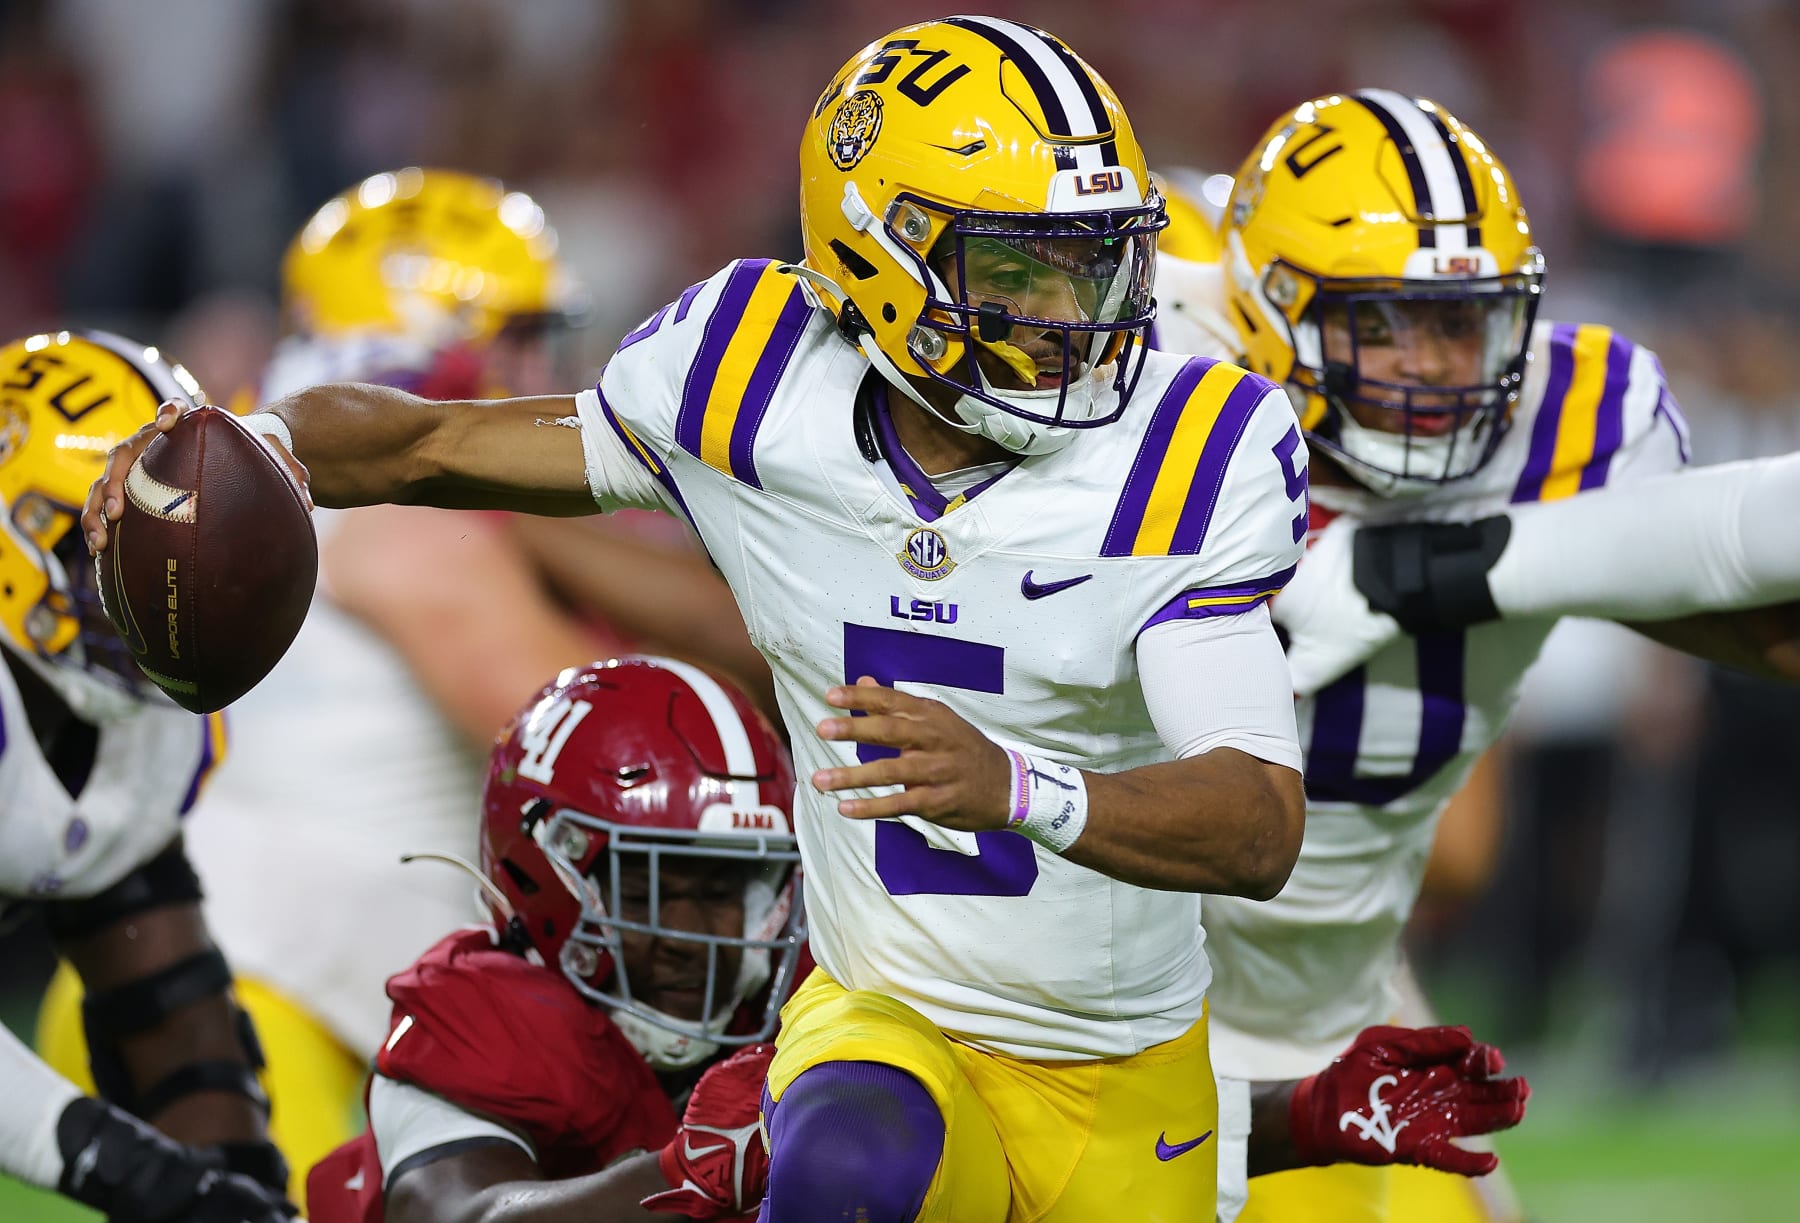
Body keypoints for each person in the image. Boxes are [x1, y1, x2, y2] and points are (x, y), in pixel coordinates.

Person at [89, 18, 1313, 1221]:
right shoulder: (750, 381)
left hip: (1117, 1060)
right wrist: (245, 445)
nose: (1072, 311)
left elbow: (1257, 821)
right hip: (886, 1015)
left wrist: (1014, 783)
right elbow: (439, 440)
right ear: (882, 259)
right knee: (835, 1165)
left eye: (1093, 260)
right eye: (1016, 269)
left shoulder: (1192, 453)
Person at [38, 168, 752, 1208]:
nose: (545, 370)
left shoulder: (288, 508)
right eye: (521, 338)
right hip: (243, 1009)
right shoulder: (413, 532)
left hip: (204, 982)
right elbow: (639, 758)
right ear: (433, 343)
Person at [1149, 90, 1800, 1223]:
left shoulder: (1568, 429)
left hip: (1337, 1007)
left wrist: (1459, 568)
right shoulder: (1147, 397)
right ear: (1264, 310)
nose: (1435, 369)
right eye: (1384, 322)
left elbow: (1759, 598)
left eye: (1463, 323)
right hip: (1106, 1006)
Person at [304, 656, 805, 1223]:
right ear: (540, 877)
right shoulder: (484, 1015)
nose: (689, 938)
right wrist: (682, 1175)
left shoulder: (803, 995)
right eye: (644, 894)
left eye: (722, 894)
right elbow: (455, 1215)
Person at [0, 329, 290, 1217]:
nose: (148, 597)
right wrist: (142, 1172)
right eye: (107, 555)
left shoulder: (138, 724)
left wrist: (239, 1187)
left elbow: (166, 997)